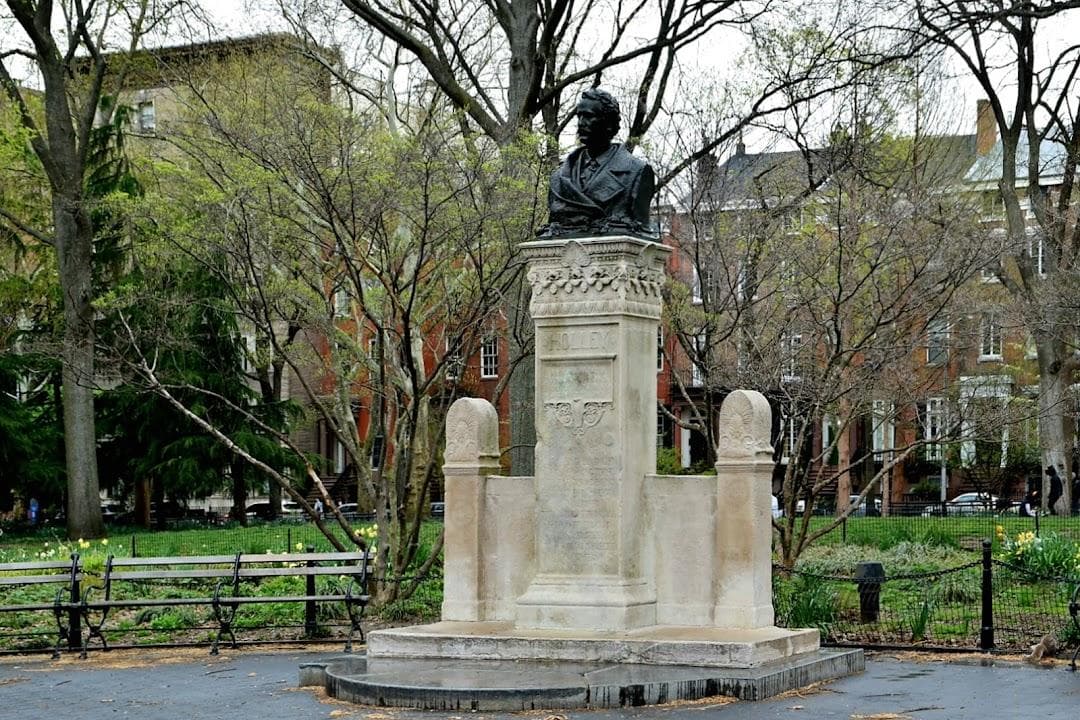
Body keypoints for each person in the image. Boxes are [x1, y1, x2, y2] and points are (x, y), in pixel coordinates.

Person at [539, 88, 656, 240]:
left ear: (609, 123)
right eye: (579, 116)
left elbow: (642, 232)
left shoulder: (637, 172)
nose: (581, 123)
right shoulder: (558, 178)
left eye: (588, 116)